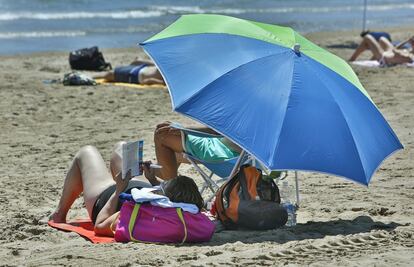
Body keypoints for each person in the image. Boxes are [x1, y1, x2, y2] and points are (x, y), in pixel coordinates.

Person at [51, 142, 204, 237]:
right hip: (136, 185)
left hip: (109, 196)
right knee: (122, 147)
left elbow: (99, 225)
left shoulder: (140, 212)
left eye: (163, 185)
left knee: (86, 152)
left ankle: (60, 214)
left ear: (164, 198)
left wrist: (119, 189)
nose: (162, 183)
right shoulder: (181, 207)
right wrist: (152, 180)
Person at [150, 121, 241, 180]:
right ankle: (162, 173)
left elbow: (221, 130)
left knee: (162, 134)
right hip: (242, 161)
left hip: (224, 156)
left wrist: (185, 130)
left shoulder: (247, 108)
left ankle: (171, 190)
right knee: (175, 143)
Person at [349, 34, 414, 66]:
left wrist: (398, 51)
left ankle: (352, 59)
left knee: (367, 37)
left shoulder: (410, 56)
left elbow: (395, 51)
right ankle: (370, 55)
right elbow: (396, 49)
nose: (412, 43)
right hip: (390, 52)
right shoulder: (410, 50)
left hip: (383, 57)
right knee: (382, 39)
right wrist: (406, 41)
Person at [93, 57, 165, 85]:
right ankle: (91, 76)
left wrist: (159, 82)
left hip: (135, 75)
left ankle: (90, 77)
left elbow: (146, 81)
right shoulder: (167, 70)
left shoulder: (166, 81)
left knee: (109, 74)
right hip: (140, 70)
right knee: (110, 73)